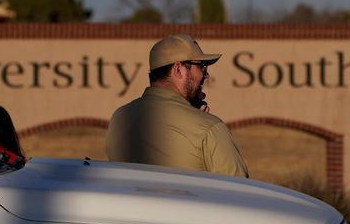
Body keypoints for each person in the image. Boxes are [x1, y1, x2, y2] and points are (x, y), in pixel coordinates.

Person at [106, 34, 249, 177]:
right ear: (179, 69)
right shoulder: (209, 128)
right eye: (202, 67)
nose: (206, 75)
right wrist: (200, 121)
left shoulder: (119, 118)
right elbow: (240, 194)